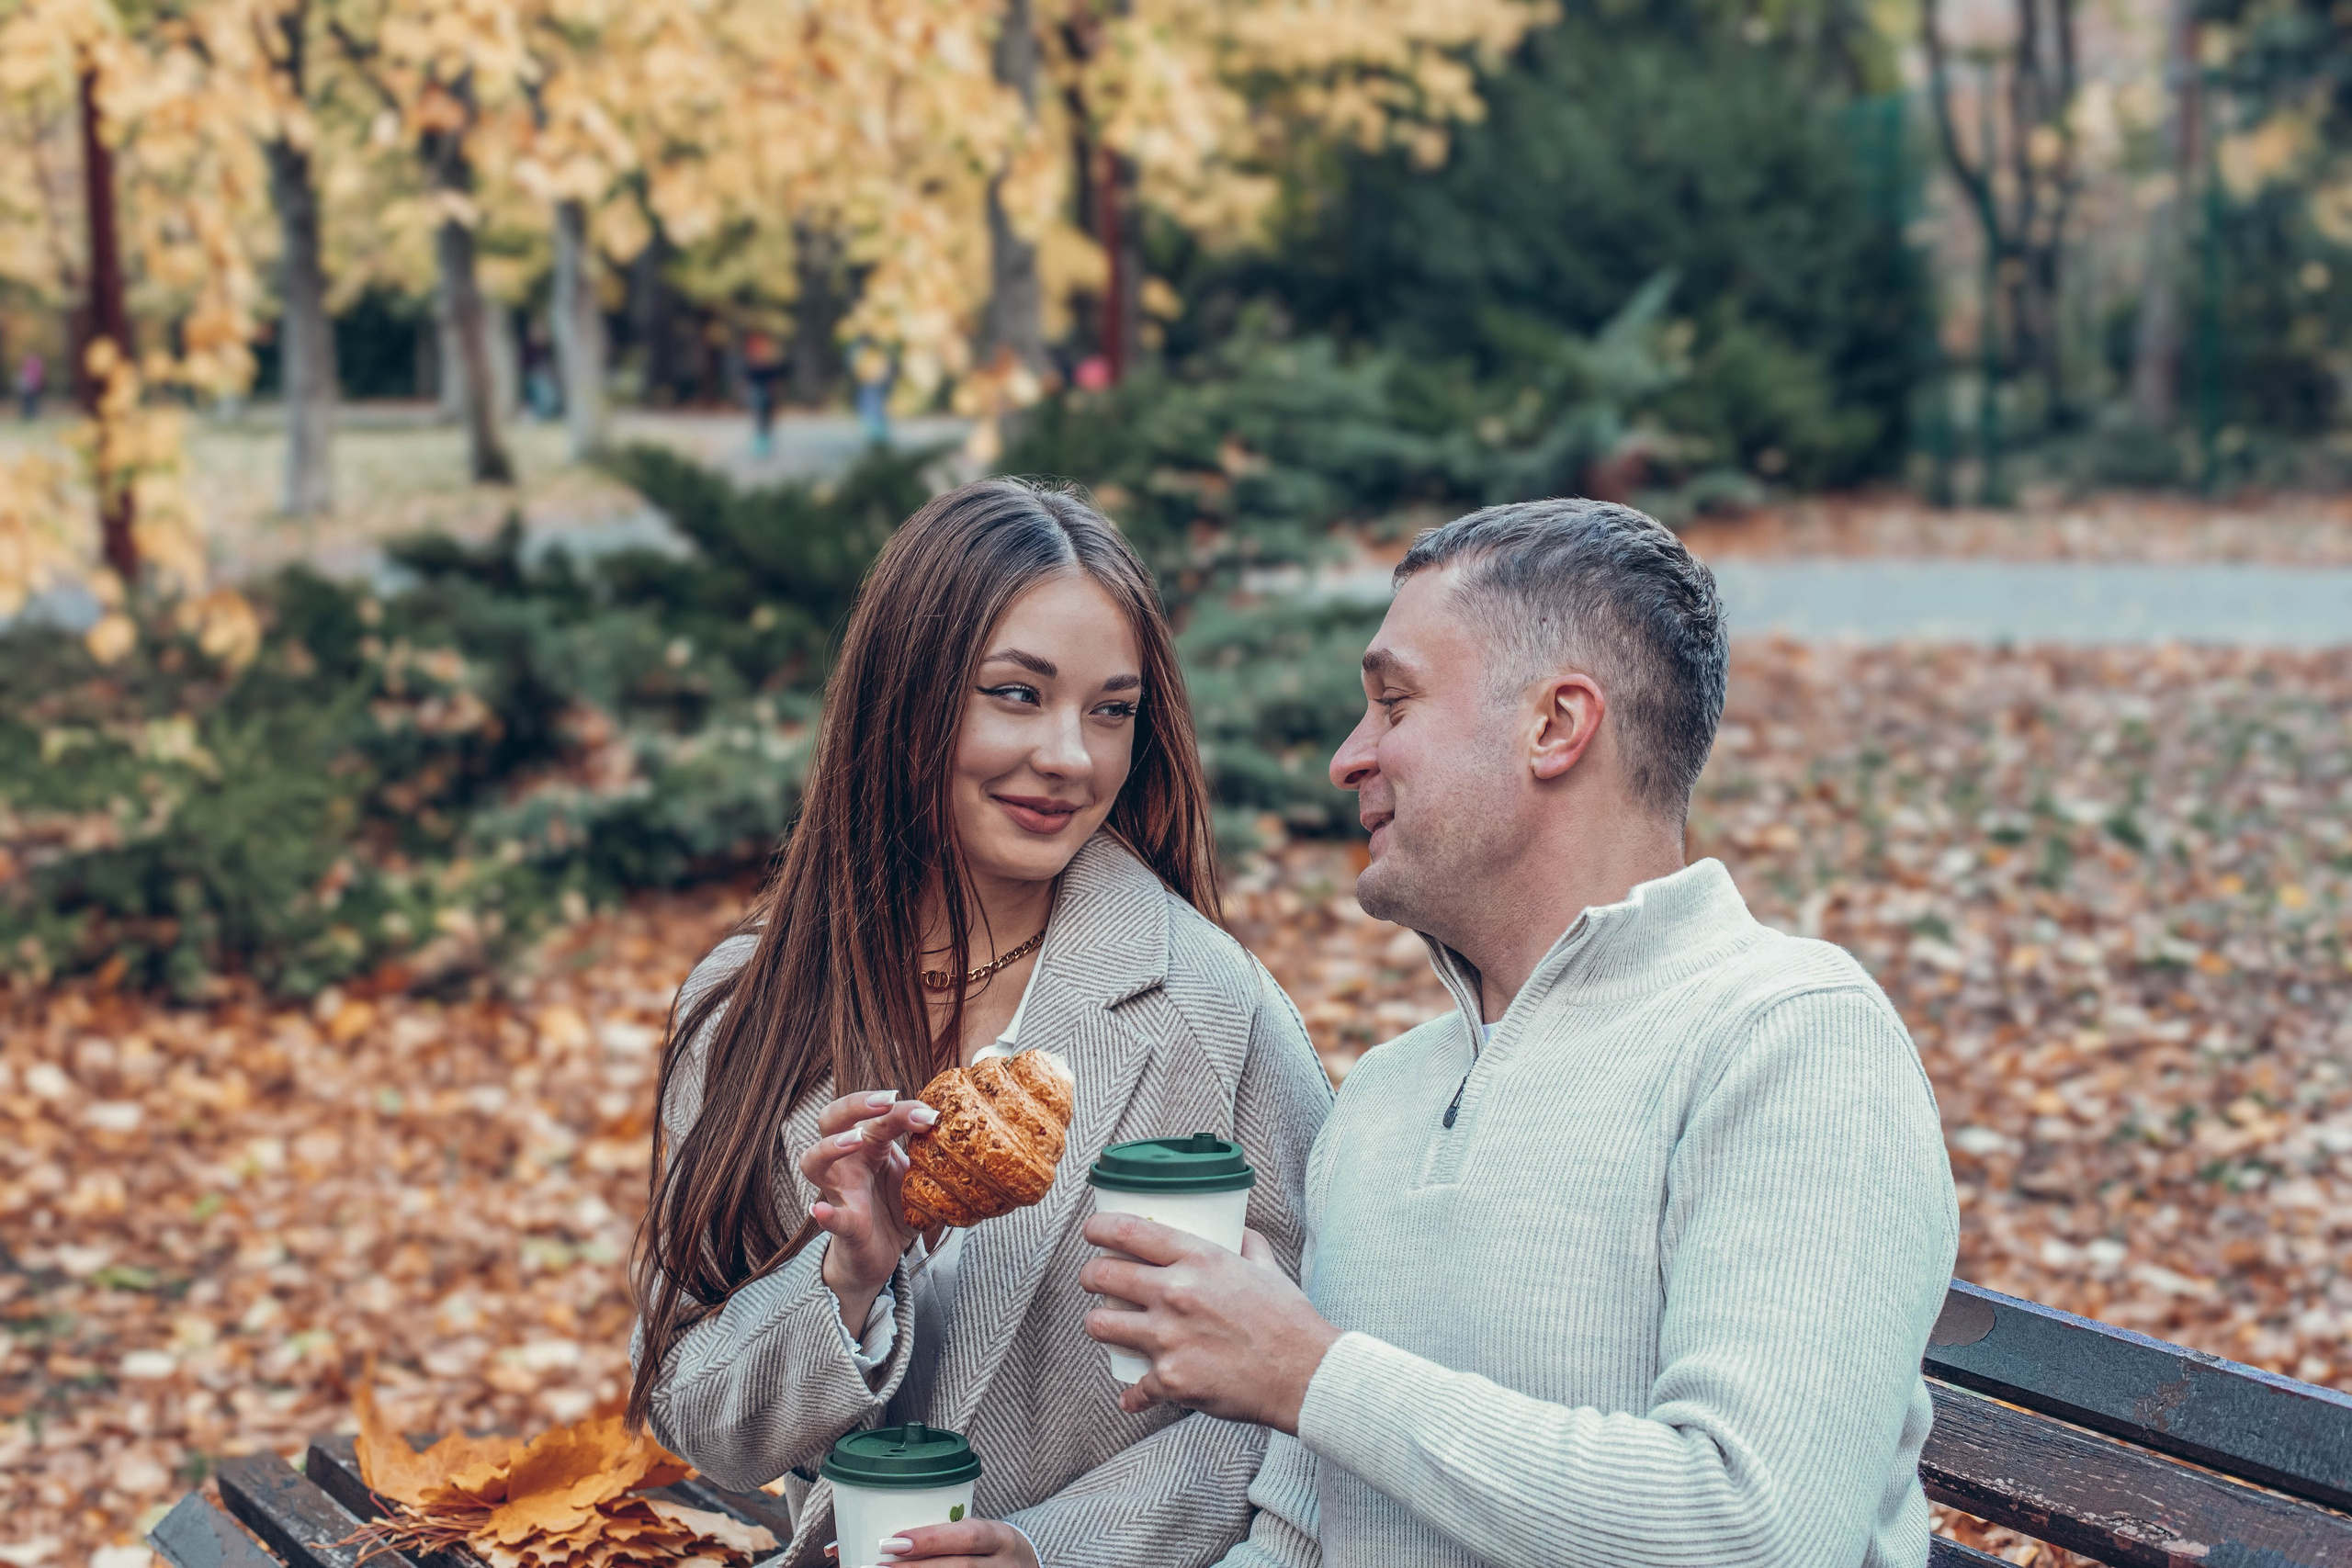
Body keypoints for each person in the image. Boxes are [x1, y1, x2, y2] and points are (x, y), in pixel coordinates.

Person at [1080, 498, 1960, 1568]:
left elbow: (1754, 1529)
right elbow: (1305, 1536)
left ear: (1554, 726)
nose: (1349, 757)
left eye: (1393, 703)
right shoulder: (1386, 1099)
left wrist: (1313, 1374)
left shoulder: (1789, 1041)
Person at [628, 479, 1332, 1568]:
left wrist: (1053, 1552)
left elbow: (1303, 1394)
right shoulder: (748, 1010)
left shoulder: (1208, 1005)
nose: (1071, 757)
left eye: (1111, 709)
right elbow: (695, 1417)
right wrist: (844, 1279)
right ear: (903, 698)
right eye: (1016, 694)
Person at [16, 351, 42, 422]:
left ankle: (30, 414)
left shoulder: (32, 365)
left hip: (30, 386)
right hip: (29, 386)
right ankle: (29, 414)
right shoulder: (35, 365)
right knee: (30, 401)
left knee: (31, 401)